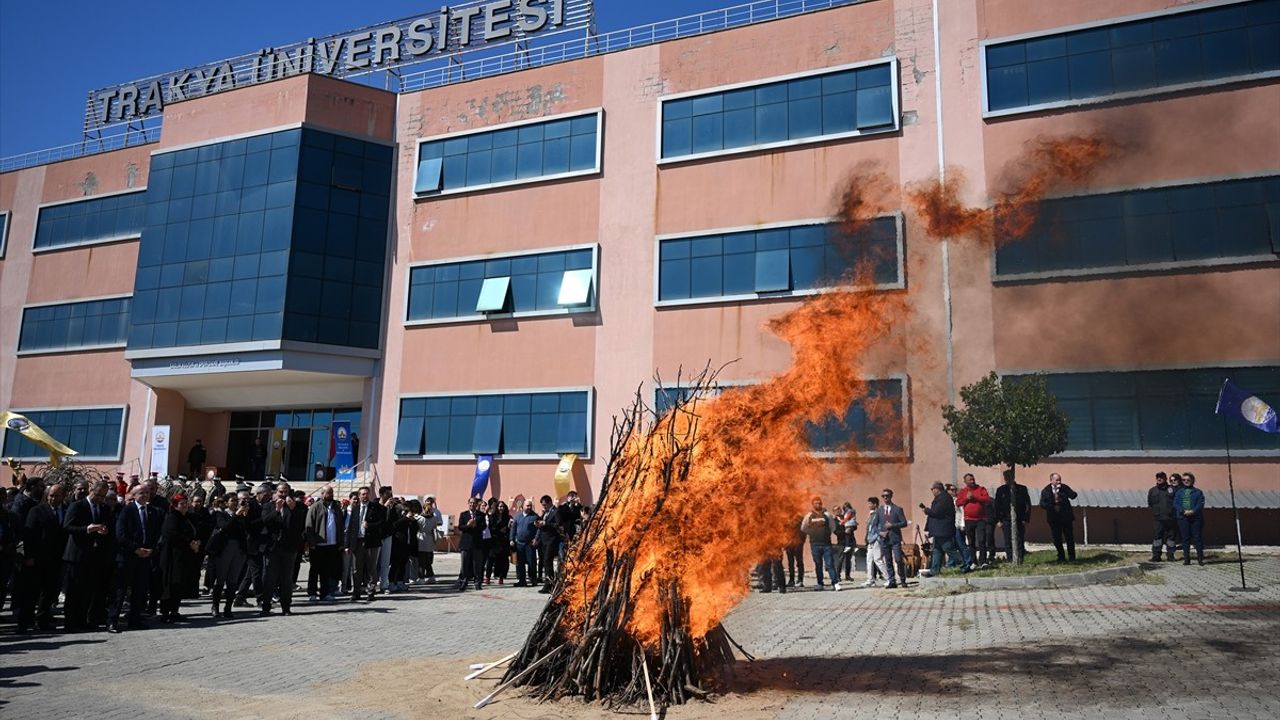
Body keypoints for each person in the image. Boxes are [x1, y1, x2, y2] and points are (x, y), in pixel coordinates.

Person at [63, 478, 116, 632]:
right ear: (91, 491)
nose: (100, 499)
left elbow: (110, 527)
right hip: (77, 555)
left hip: (94, 556)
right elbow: (68, 526)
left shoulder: (104, 508)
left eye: (103, 497)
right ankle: (71, 622)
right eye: (98, 495)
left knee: (88, 591)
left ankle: (83, 620)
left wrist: (104, 531)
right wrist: (87, 529)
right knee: (74, 591)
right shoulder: (77, 506)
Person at [109, 484, 162, 633]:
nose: (145, 495)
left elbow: (156, 533)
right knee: (120, 591)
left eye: (147, 492)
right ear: (134, 495)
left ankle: (134, 619)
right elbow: (120, 534)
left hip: (145, 557)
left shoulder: (152, 511)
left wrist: (151, 549)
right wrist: (135, 549)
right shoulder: (127, 510)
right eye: (141, 493)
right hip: (127, 557)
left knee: (139, 591)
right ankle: (113, 620)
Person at [19, 483, 66, 632]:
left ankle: (42, 620)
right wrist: (29, 556)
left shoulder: (65, 511)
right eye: (51, 495)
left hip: (55, 560)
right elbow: (29, 535)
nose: (53, 498)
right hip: (37, 559)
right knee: (31, 593)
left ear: (63, 497)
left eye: (57, 496)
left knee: (48, 593)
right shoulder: (37, 510)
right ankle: (24, 622)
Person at [259, 482, 306, 615]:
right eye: (281, 492)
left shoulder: (296, 507)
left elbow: (299, 525)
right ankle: (266, 606)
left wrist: (293, 509)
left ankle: (286, 607)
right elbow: (265, 521)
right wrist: (276, 510)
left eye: (286, 492)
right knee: (269, 578)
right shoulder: (268, 506)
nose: (283, 494)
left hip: (289, 548)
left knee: (287, 579)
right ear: (275, 493)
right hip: (272, 548)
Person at [157, 494, 199, 623]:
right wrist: (189, 542)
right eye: (181, 503)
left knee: (179, 584)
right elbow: (171, 534)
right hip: (172, 556)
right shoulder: (172, 517)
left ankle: (174, 611)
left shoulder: (186, 518)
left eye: (186, 503)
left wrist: (195, 542)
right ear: (175, 505)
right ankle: (165, 613)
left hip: (183, 556)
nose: (185, 505)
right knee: (170, 584)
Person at [209, 491, 250, 618]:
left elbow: (246, 530)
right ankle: (215, 606)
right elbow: (225, 527)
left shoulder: (241, 515)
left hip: (238, 550)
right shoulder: (220, 514)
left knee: (233, 580)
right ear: (226, 503)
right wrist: (235, 516)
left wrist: (244, 515)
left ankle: (228, 607)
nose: (235, 503)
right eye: (232, 501)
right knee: (220, 579)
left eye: (236, 501)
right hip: (225, 549)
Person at [347, 486, 386, 601]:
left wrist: (370, 525)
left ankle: (371, 591)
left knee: (371, 567)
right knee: (356, 568)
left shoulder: (376, 507)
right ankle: (356, 591)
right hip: (357, 541)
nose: (365, 496)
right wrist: (347, 544)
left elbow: (382, 522)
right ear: (359, 496)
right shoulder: (355, 508)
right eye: (363, 494)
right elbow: (351, 527)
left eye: (367, 494)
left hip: (371, 542)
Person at [306, 485, 344, 601]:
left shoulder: (336, 507)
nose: (331, 495)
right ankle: (312, 592)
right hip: (318, 544)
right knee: (315, 569)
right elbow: (309, 525)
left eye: (332, 493)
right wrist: (311, 542)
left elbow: (341, 525)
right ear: (322, 494)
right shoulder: (315, 507)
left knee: (327, 570)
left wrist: (341, 542)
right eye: (328, 493)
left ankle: (325, 593)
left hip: (332, 544)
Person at [919, 482, 965, 577]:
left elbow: (936, 512)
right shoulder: (941, 498)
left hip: (943, 529)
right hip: (939, 529)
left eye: (932, 489)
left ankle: (964, 565)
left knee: (948, 548)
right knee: (937, 550)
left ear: (937, 489)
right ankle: (934, 570)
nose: (932, 491)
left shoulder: (944, 499)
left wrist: (926, 510)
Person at [800, 497, 841, 591]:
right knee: (818, 564)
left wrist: (826, 534)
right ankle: (820, 583)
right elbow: (803, 528)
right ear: (813, 505)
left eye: (819, 503)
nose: (818, 505)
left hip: (826, 544)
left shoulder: (827, 515)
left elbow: (832, 527)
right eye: (816, 503)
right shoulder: (809, 516)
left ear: (821, 504)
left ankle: (835, 583)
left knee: (830, 563)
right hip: (815, 544)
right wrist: (812, 533)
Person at [994, 469, 1032, 563]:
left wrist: (1025, 518)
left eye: (1010, 476)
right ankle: (1010, 559)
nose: (1008, 479)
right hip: (1006, 519)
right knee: (1008, 540)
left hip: (1019, 518)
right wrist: (998, 520)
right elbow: (997, 505)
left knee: (1019, 539)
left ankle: (1020, 558)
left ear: (1013, 477)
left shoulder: (1022, 489)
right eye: (1006, 477)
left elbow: (1027, 505)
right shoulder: (1001, 490)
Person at [1040, 473, 1078, 562]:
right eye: (1057, 480)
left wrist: (1064, 489)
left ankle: (1072, 556)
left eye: (1060, 480)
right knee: (1057, 538)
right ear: (1051, 480)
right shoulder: (1046, 490)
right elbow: (1042, 504)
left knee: (1069, 537)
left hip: (1066, 517)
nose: (1059, 482)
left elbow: (1073, 496)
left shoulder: (1064, 488)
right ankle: (1061, 556)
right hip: (1054, 518)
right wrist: (1051, 505)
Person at [955, 473, 991, 568]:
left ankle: (983, 561)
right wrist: (966, 499)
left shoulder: (981, 489)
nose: (972, 481)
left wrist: (975, 497)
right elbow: (958, 503)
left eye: (973, 479)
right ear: (965, 481)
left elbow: (987, 499)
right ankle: (973, 562)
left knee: (982, 540)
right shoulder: (963, 491)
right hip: (969, 519)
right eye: (970, 480)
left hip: (981, 519)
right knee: (971, 541)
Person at [877, 489, 909, 588]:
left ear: (891, 496)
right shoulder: (880, 510)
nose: (885, 498)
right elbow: (875, 525)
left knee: (899, 559)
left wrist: (893, 525)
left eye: (887, 496)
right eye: (883, 496)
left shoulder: (897, 509)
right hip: (884, 539)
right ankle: (892, 581)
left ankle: (903, 579)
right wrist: (880, 532)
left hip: (895, 538)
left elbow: (904, 523)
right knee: (888, 560)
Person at [1172, 472, 1206, 566]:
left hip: (1195, 518)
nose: (1186, 481)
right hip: (1183, 518)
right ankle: (1187, 559)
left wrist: (1193, 511)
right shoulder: (1179, 492)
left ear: (1192, 480)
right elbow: (1176, 503)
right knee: (1185, 539)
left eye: (1188, 480)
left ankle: (1200, 559)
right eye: (1184, 480)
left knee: (1197, 538)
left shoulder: (1198, 492)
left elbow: (1200, 503)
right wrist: (1183, 511)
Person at [456, 497, 488, 591]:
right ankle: (464, 582)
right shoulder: (463, 514)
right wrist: (468, 525)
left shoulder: (481, 515)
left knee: (477, 564)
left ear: (477, 504)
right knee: (465, 564)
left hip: (477, 543)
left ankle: (477, 582)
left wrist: (475, 525)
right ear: (468, 503)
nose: (472, 505)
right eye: (470, 503)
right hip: (466, 543)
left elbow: (483, 527)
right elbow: (460, 527)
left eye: (474, 503)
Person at [1147, 472, 1178, 561]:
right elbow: (1150, 503)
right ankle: (1156, 556)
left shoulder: (1172, 489)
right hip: (1158, 518)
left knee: (1171, 538)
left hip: (1170, 518)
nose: (1159, 479)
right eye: (1157, 478)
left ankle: (1170, 555)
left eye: (1161, 477)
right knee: (1157, 537)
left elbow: (1176, 502)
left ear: (1165, 479)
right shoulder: (1152, 490)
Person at [535, 495, 561, 593]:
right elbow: (542, 523)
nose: (544, 507)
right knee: (545, 562)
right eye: (542, 505)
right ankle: (549, 582)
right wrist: (538, 523)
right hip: (543, 541)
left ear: (550, 502)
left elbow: (558, 525)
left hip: (551, 540)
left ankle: (549, 584)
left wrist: (545, 524)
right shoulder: (545, 513)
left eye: (545, 505)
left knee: (547, 561)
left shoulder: (556, 512)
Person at [862, 496, 889, 587]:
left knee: (878, 559)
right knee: (869, 559)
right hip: (870, 539)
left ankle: (889, 578)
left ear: (875, 504)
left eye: (870, 503)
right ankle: (870, 579)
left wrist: (878, 536)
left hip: (876, 539)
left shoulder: (878, 514)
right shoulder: (871, 514)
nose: (868, 505)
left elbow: (879, 527)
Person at [512, 499, 538, 587]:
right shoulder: (517, 516)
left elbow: (539, 530)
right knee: (520, 563)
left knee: (531, 563)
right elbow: (513, 529)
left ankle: (533, 579)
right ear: (523, 506)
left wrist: (536, 539)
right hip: (519, 544)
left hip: (529, 544)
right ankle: (522, 581)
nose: (529, 507)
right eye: (527, 506)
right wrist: (511, 539)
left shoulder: (535, 516)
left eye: (530, 505)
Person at [486, 500, 512, 585]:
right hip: (493, 541)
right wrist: (501, 530)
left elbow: (509, 529)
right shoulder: (492, 516)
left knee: (502, 561)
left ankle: (501, 577)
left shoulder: (508, 517)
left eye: (503, 507)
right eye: (500, 506)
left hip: (503, 542)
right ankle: (488, 577)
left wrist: (507, 528)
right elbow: (491, 528)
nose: (501, 508)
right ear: (497, 507)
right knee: (490, 560)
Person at [838, 501, 858, 581]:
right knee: (841, 558)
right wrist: (844, 531)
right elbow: (836, 530)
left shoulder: (849, 514)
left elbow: (854, 526)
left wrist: (851, 528)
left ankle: (847, 575)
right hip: (842, 541)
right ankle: (838, 575)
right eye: (845, 507)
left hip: (850, 540)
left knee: (848, 559)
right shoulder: (839, 518)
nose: (846, 508)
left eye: (847, 507)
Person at [785, 513, 806, 588]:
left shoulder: (800, 518)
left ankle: (800, 580)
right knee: (790, 563)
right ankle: (791, 580)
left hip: (798, 544)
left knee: (799, 562)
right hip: (789, 544)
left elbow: (804, 530)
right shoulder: (785, 518)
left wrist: (801, 542)